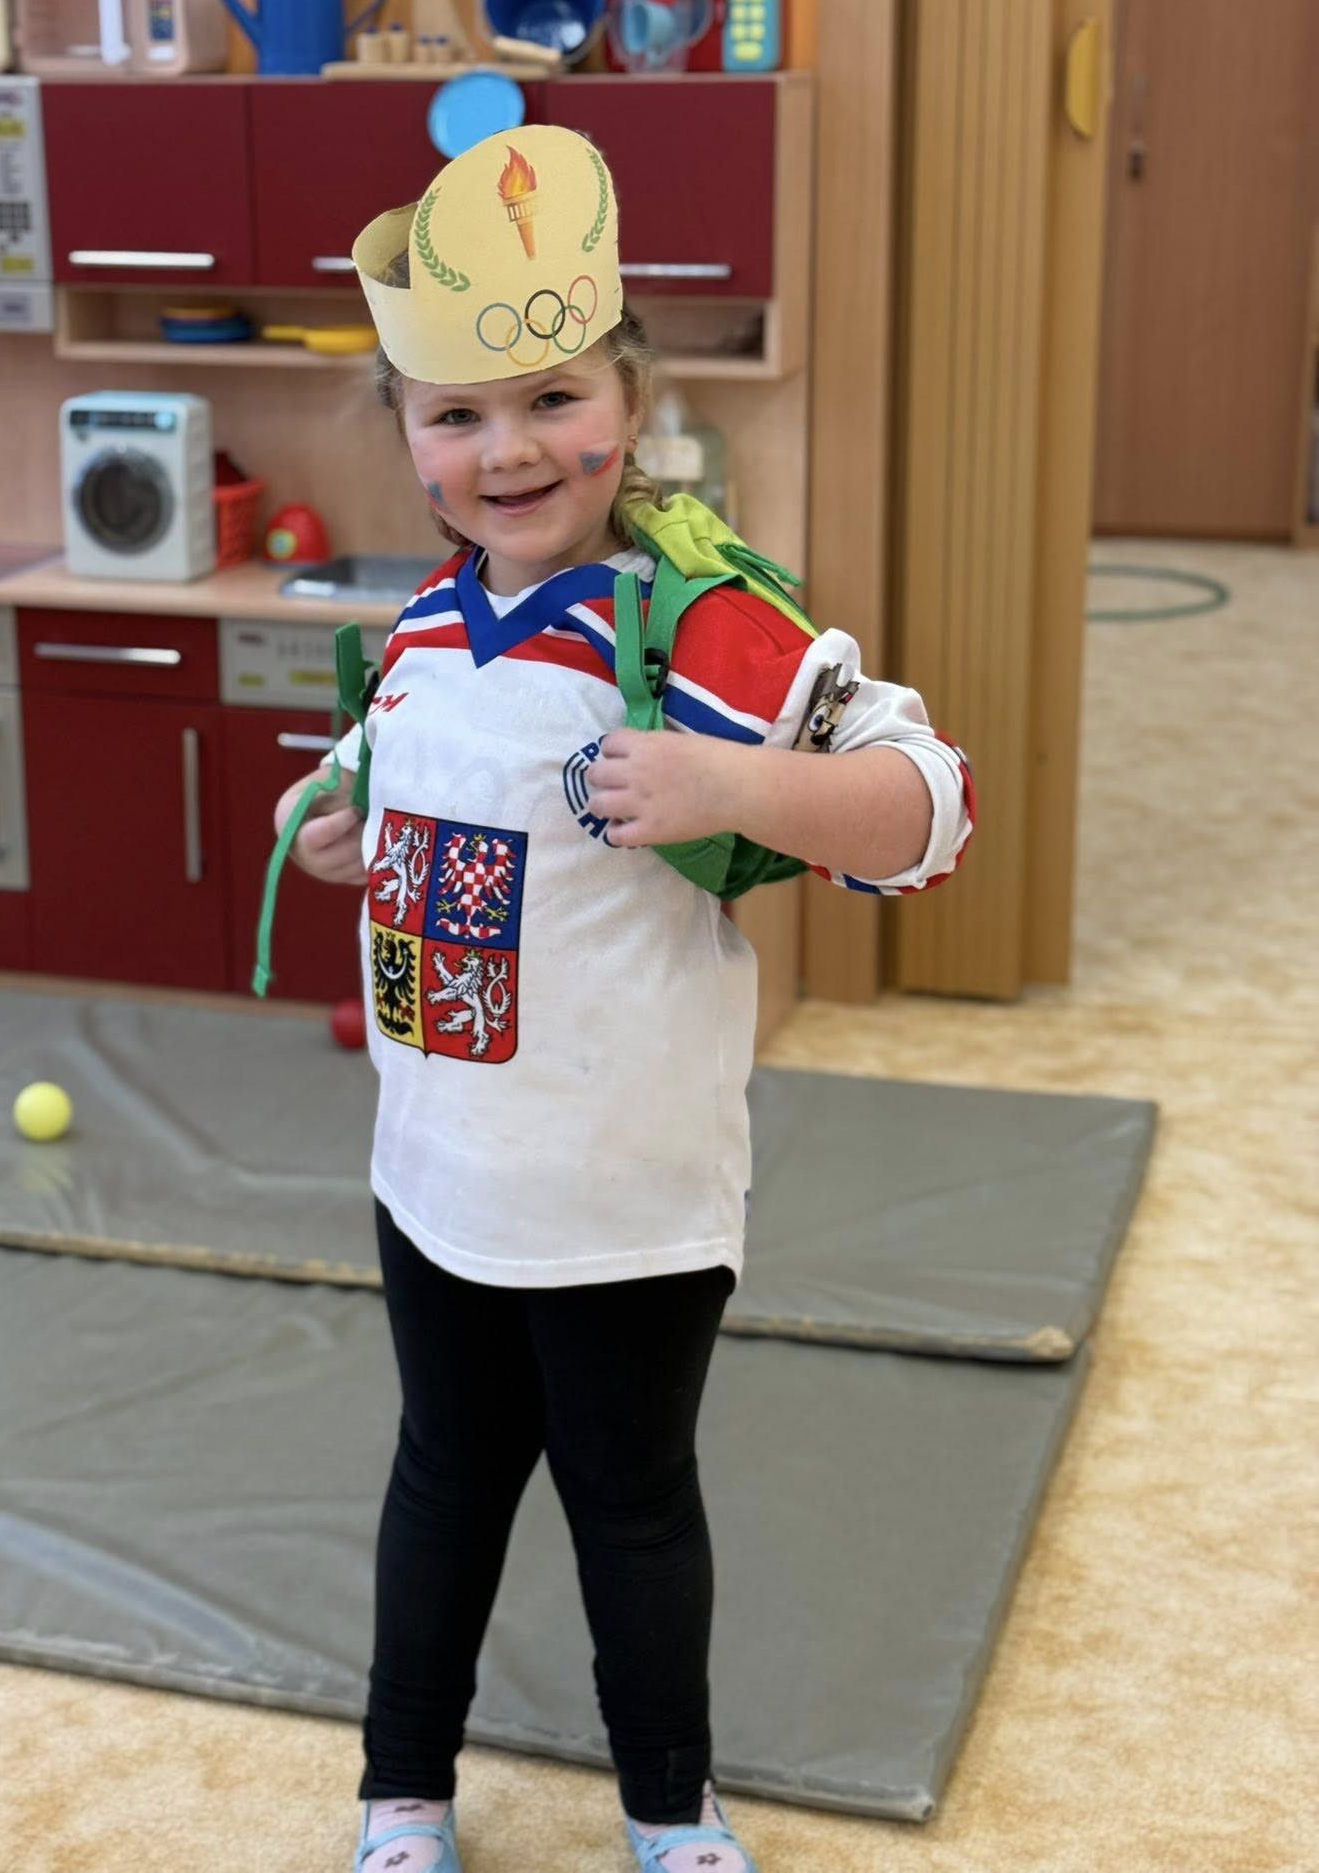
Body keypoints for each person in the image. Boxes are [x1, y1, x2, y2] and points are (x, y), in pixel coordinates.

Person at [274, 126, 975, 1873]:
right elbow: (380, 776)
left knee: (632, 1505)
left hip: (627, 1207)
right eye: (456, 413)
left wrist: (732, 787)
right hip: (435, 1179)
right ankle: (401, 1795)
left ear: (633, 401)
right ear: (405, 432)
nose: (508, 448)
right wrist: (334, 825)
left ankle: (671, 1807)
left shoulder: (697, 631)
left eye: (553, 398)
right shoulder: (423, 626)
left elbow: (930, 809)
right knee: (441, 1483)